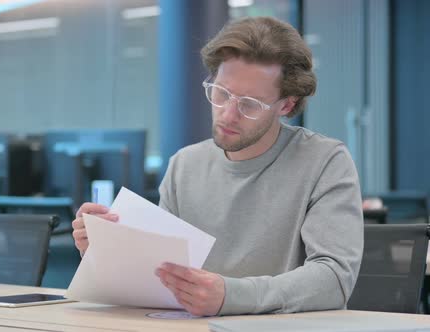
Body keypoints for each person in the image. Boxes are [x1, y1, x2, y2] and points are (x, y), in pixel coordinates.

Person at [71, 16, 363, 316]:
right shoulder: (185, 165)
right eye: (221, 93)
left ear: (286, 105)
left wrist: (231, 295)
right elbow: (159, 276)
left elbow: (335, 278)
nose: (228, 114)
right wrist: (103, 250)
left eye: (249, 104)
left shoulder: (325, 161)